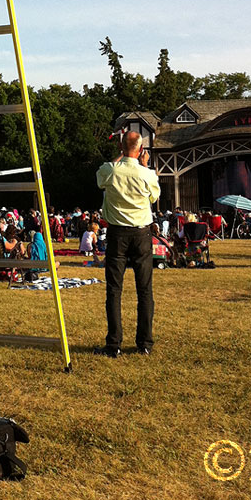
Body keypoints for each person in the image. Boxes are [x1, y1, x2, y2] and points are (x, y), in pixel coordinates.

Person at [95, 131, 161, 358]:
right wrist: (143, 165)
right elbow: (153, 198)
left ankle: (114, 344)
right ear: (141, 150)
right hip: (141, 234)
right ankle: (144, 343)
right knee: (144, 290)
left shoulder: (111, 170)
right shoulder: (147, 174)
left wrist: (121, 157)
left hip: (117, 234)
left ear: (122, 148)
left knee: (114, 290)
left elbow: (101, 178)